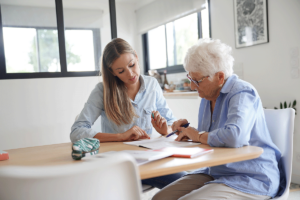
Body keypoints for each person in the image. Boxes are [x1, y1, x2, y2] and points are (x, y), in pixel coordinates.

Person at [152, 39, 281, 200]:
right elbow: (212, 137)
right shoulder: (207, 97)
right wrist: (188, 133)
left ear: (220, 77)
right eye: (190, 79)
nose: (192, 86)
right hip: (216, 171)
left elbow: (235, 136)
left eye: (196, 81)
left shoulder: (242, 92)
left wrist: (198, 136)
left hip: (251, 176)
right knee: (160, 198)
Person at [70, 38, 186, 188]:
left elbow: (172, 123)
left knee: (185, 181)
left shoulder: (152, 84)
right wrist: (120, 137)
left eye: (132, 65)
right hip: (118, 164)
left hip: (149, 160)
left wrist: (166, 130)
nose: (130, 73)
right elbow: (77, 131)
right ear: (112, 72)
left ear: (136, 57)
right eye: (121, 71)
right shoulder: (102, 91)